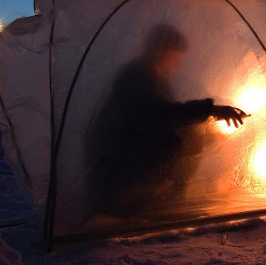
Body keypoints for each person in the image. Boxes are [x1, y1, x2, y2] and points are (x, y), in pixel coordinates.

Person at [86, 24, 249, 217]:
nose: (178, 62)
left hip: (126, 154)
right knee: (183, 140)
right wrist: (210, 110)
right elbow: (159, 116)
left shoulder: (154, 77)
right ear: (160, 50)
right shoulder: (136, 77)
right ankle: (144, 203)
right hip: (116, 162)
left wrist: (209, 124)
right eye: (176, 55)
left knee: (194, 136)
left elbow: (173, 115)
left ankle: (162, 198)